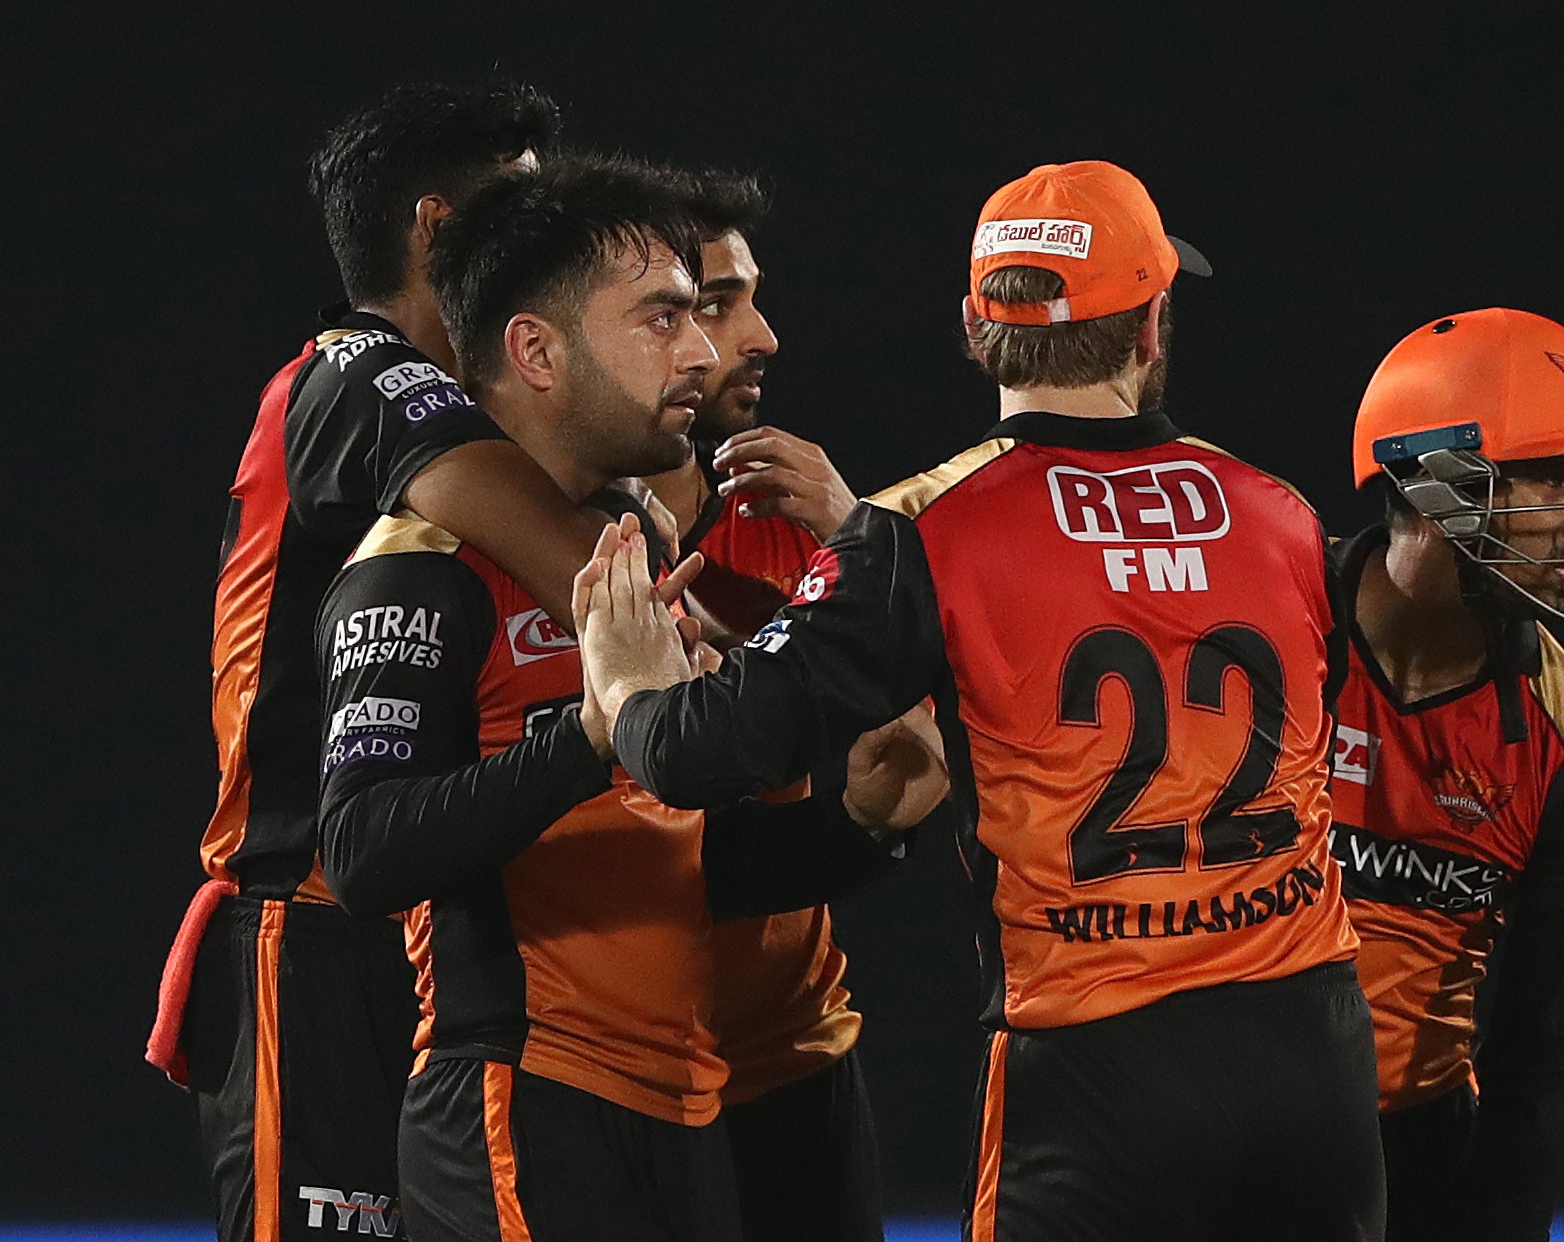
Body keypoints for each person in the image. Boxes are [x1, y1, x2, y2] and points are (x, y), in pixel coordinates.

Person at [585, 160, 1386, 1241]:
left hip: (1099, 1067)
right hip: (1314, 1056)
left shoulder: (923, 531)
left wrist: (628, 673)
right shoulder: (1279, 513)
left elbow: (698, 753)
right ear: (1153, 324)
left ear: (975, 326)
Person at [317, 156, 941, 1242]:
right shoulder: (420, 565)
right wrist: (595, 734)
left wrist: (865, 827)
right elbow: (364, 849)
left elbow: (695, 868)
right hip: (524, 1110)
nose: (702, 353)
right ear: (536, 351)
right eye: (663, 319)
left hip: (685, 1113)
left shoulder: (639, 538)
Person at [145, 81, 630, 1242]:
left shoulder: (453, 398)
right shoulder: (356, 374)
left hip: (445, 943)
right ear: (433, 224)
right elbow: (586, 576)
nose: (544, 229)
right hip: (311, 938)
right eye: (520, 199)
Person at [1330, 308, 1564, 1241]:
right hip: (1195, 1125)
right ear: (1437, 483)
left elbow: (1537, 1069)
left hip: (1409, 1163)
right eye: (1555, 477)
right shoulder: (1257, 636)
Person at [641, 178, 894, 1242]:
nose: (761, 337)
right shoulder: (533, 545)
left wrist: (859, 535)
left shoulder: (794, 517)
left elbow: (921, 744)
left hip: (796, 1065)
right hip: (623, 1090)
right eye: (717, 301)